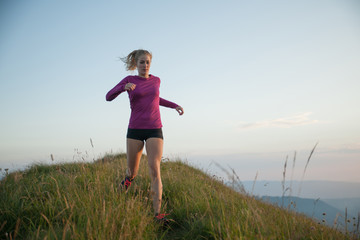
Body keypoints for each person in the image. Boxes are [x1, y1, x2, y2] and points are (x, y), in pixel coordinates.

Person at [106, 49, 184, 224]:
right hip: (135, 129)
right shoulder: (129, 80)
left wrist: (174, 105)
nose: (145, 65)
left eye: (147, 62)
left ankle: (157, 214)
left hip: (154, 128)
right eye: (142, 62)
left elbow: (156, 99)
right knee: (131, 174)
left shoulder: (156, 80)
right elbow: (108, 97)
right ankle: (118, 195)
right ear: (136, 63)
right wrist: (122, 88)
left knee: (154, 169)